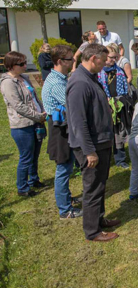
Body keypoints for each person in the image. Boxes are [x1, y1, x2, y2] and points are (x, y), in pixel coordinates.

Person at [66, 43, 120, 242]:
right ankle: (92, 231)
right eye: (104, 60)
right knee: (92, 188)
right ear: (93, 58)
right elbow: (78, 122)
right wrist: (89, 151)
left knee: (100, 184)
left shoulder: (91, 78)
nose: (106, 63)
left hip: (102, 142)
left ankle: (99, 219)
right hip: (91, 146)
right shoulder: (80, 83)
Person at [41, 45, 82, 219]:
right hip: (60, 130)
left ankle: (66, 199)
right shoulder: (57, 83)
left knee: (66, 167)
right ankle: (65, 209)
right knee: (63, 169)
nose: (73, 61)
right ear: (59, 61)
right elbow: (71, 105)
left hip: (63, 127)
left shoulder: (60, 78)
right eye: (70, 59)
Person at [1, 51, 47, 197]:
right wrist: (38, 116)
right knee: (26, 156)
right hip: (22, 125)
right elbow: (18, 105)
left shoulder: (24, 78)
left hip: (36, 121)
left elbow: (34, 97)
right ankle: (22, 187)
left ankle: (33, 179)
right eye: (21, 64)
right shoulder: (8, 83)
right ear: (11, 66)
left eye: (25, 62)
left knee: (35, 154)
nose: (25, 66)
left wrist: (43, 111)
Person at [98, 45, 130, 169]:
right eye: (111, 57)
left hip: (118, 104)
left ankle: (120, 159)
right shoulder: (99, 72)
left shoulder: (119, 71)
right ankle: (104, 159)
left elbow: (124, 88)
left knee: (119, 132)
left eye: (116, 58)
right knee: (106, 133)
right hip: (104, 105)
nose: (113, 60)